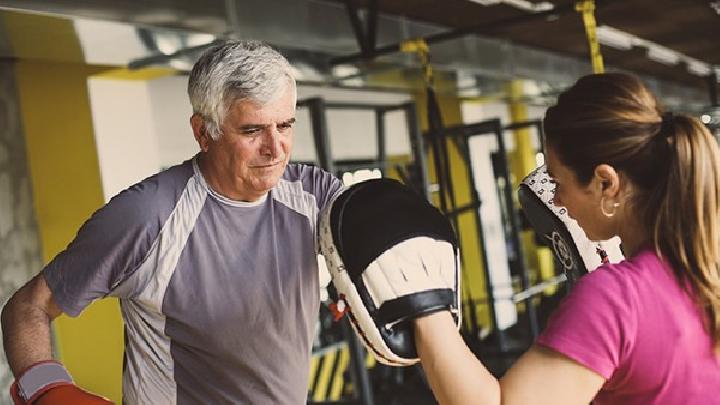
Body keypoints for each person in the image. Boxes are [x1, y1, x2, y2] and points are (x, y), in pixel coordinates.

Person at [1, 40, 344, 404]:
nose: (276, 149)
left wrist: (360, 280)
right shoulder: (148, 217)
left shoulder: (312, 194)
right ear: (202, 132)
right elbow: (27, 307)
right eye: (251, 130)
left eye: (285, 125)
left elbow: (380, 233)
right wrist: (47, 391)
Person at [412, 73, 720, 404]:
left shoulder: (616, 298)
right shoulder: (707, 268)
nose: (555, 200)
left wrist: (424, 302)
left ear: (605, 183)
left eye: (558, 182)